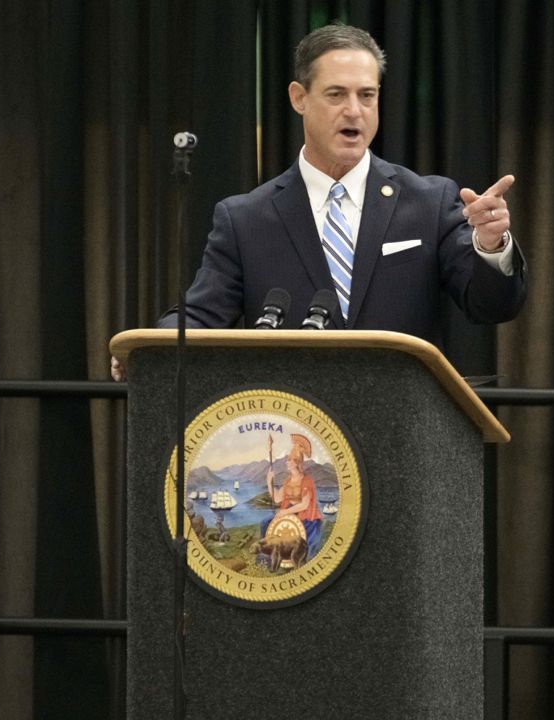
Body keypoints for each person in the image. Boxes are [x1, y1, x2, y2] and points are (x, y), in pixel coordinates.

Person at [110, 23, 525, 381]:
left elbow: (491, 306)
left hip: (402, 434)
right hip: (292, 429)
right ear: (298, 98)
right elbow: (200, 318)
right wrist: (149, 350)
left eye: (367, 95)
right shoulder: (246, 218)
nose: (354, 111)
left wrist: (490, 246)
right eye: (335, 94)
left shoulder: (430, 201)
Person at [259, 434, 323, 565]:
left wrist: (285, 512)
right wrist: (268, 482)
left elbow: (304, 505)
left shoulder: (306, 480)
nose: (287, 462)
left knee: (303, 539)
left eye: (289, 460)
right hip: (289, 512)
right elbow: (277, 499)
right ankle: (269, 554)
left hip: (305, 515)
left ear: (296, 463)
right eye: (287, 460)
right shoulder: (287, 481)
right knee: (265, 522)